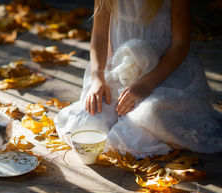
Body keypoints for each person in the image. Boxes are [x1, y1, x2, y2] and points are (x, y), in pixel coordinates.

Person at [54, 0, 222, 158]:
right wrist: (98, 79)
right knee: (91, 124)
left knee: (144, 122)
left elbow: (180, 45)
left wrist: (146, 84)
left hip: (163, 74)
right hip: (118, 71)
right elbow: (99, 35)